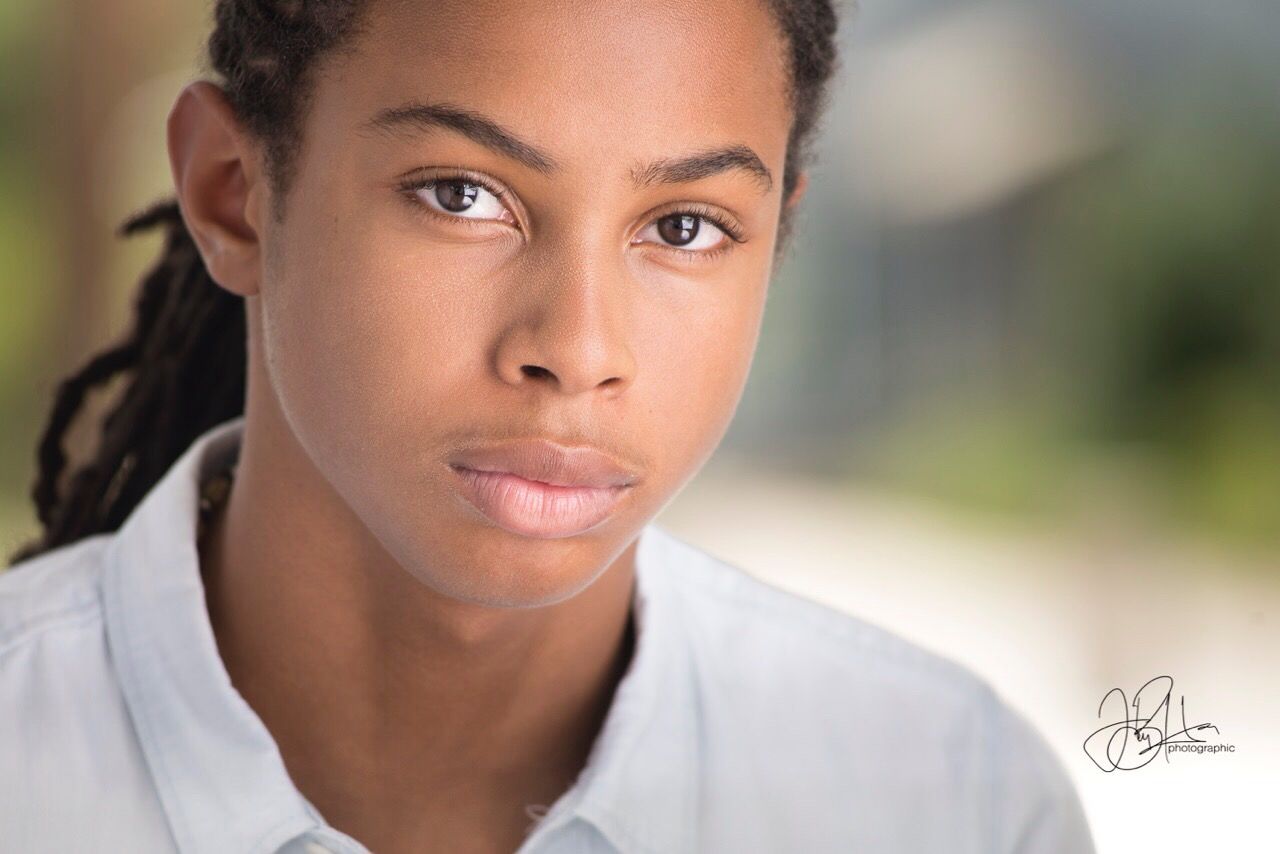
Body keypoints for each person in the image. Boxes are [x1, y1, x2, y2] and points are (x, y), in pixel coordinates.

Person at [0, 1, 1095, 852]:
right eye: (461, 195)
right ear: (234, 194)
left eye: (683, 225)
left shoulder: (954, 800)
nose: (576, 348)